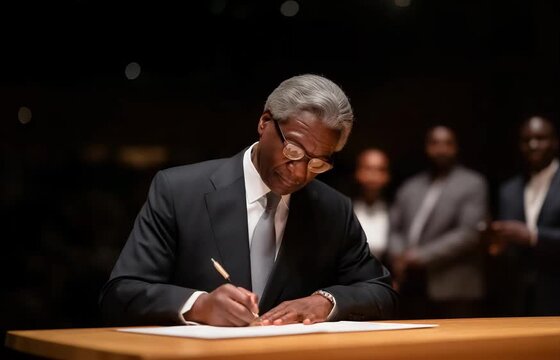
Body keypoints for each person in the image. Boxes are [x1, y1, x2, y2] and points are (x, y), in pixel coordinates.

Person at [99, 74, 397, 327]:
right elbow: (122, 293)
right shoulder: (179, 191)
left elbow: (381, 292)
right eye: (293, 150)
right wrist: (199, 306)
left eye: (318, 163)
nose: (300, 172)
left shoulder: (333, 209)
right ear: (265, 122)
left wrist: (326, 302)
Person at [487, 115, 560, 316]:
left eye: (540, 138)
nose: (533, 145)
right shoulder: (509, 189)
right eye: (526, 140)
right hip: (518, 298)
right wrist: (497, 244)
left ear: (555, 142)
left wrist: (534, 236)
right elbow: (508, 248)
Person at [389, 126, 488, 319]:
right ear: (427, 148)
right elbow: (394, 228)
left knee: (457, 348)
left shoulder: (473, 183)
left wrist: (419, 256)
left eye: (447, 143)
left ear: (456, 148)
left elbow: (468, 234)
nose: (441, 149)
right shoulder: (410, 186)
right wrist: (398, 253)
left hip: (454, 287)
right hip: (411, 285)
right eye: (435, 143)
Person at [352, 148, 391, 261]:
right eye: (368, 168)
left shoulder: (395, 211)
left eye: (380, 169)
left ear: (387, 176)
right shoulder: (343, 209)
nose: (373, 175)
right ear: (357, 172)